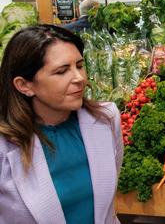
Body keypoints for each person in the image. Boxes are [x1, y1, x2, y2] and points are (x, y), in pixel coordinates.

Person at [0, 25, 123, 224]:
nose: (79, 78)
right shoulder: (5, 144)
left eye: (80, 65)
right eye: (61, 71)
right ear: (24, 85)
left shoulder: (106, 119)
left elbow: (107, 209)